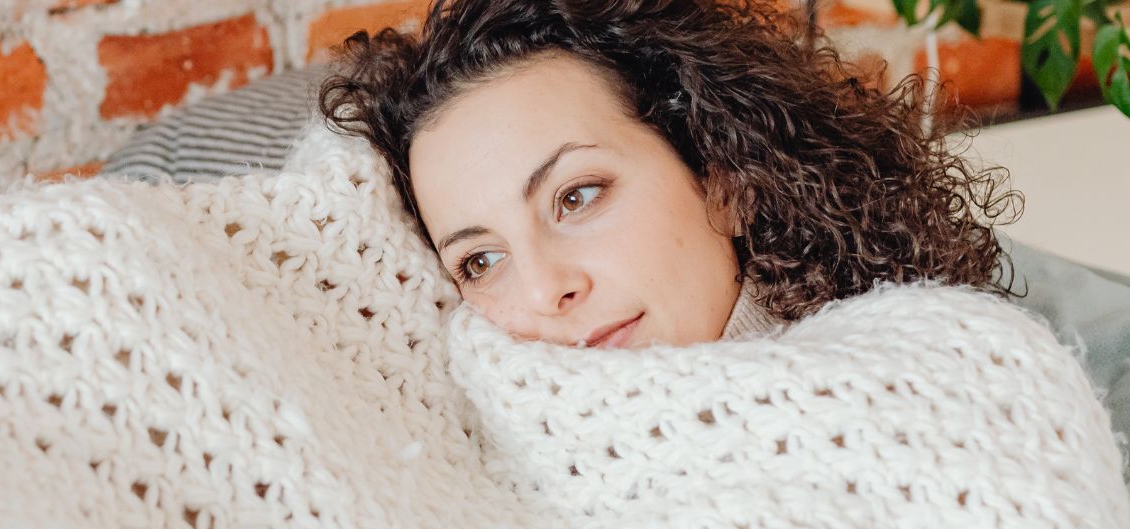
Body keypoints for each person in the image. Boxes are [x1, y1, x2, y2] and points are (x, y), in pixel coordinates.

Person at [319, 0, 1022, 348]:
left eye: (577, 196)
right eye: (479, 261)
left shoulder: (947, 365)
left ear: (723, 178)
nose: (544, 291)